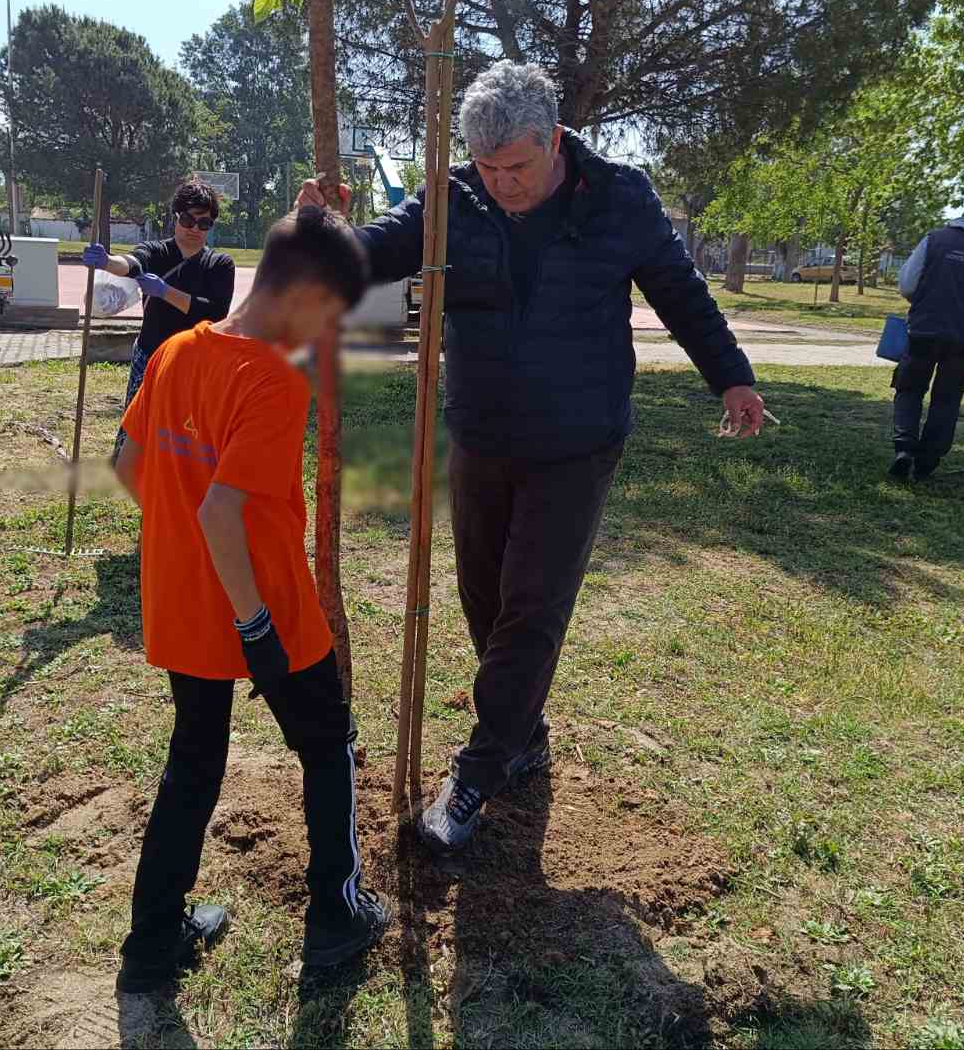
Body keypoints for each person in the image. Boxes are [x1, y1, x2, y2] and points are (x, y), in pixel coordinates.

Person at [297, 61, 765, 852]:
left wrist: (732, 377)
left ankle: (478, 770)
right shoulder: (456, 197)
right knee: (484, 596)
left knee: (532, 605)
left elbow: (681, 291)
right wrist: (323, 236)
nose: (503, 182)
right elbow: (379, 252)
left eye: (516, 165)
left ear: (553, 140)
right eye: (488, 166)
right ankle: (523, 726)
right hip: (480, 430)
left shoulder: (620, 197)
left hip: (578, 440)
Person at [111, 205, 389, 994]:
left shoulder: (172, 354)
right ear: (303, 296)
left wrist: (191, 564)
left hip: (183, 606)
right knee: (327, 740)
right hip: (265, 607)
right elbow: (221, 512)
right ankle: (337, 913)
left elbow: (131, 469)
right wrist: (256, 624)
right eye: (328, 315)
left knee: (193, 765)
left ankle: (152, 946)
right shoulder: (272, 378)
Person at [84, 180, 237, 457]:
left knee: (185, 428)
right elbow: (133, 263)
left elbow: (215, 312)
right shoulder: (157, 251)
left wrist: (166, 292)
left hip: (195, 361)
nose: (194, 229)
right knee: (137, 418)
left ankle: (173, 473)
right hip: (150, 354)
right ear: (175, 217)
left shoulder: (220, 264)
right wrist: (107, 261)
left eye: (204, 224)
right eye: (188, 219)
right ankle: (129, 468)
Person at [889, 190, 964, 480]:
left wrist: (925, 303)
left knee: (909, 388)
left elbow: (907, 283)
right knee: (947, 398)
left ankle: (904, 448)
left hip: (924, 329)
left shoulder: (934, 239)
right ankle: (928, 460)